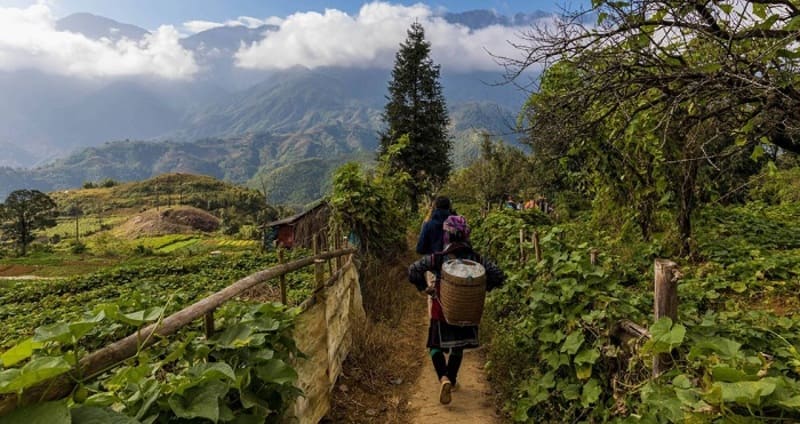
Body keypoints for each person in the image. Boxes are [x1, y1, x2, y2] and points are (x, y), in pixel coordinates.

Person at [408, 215, 506, 405]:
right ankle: (452, 379)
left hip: (442, 308)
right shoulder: (477, 259)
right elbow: (498, 275)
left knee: (434, 346)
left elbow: (413, 270)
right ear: (466, 235)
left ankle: (443, 378)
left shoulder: (438, 258)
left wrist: (424, 288)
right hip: (467, 310)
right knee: (458, 346)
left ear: (447, 235)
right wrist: (480, 289)